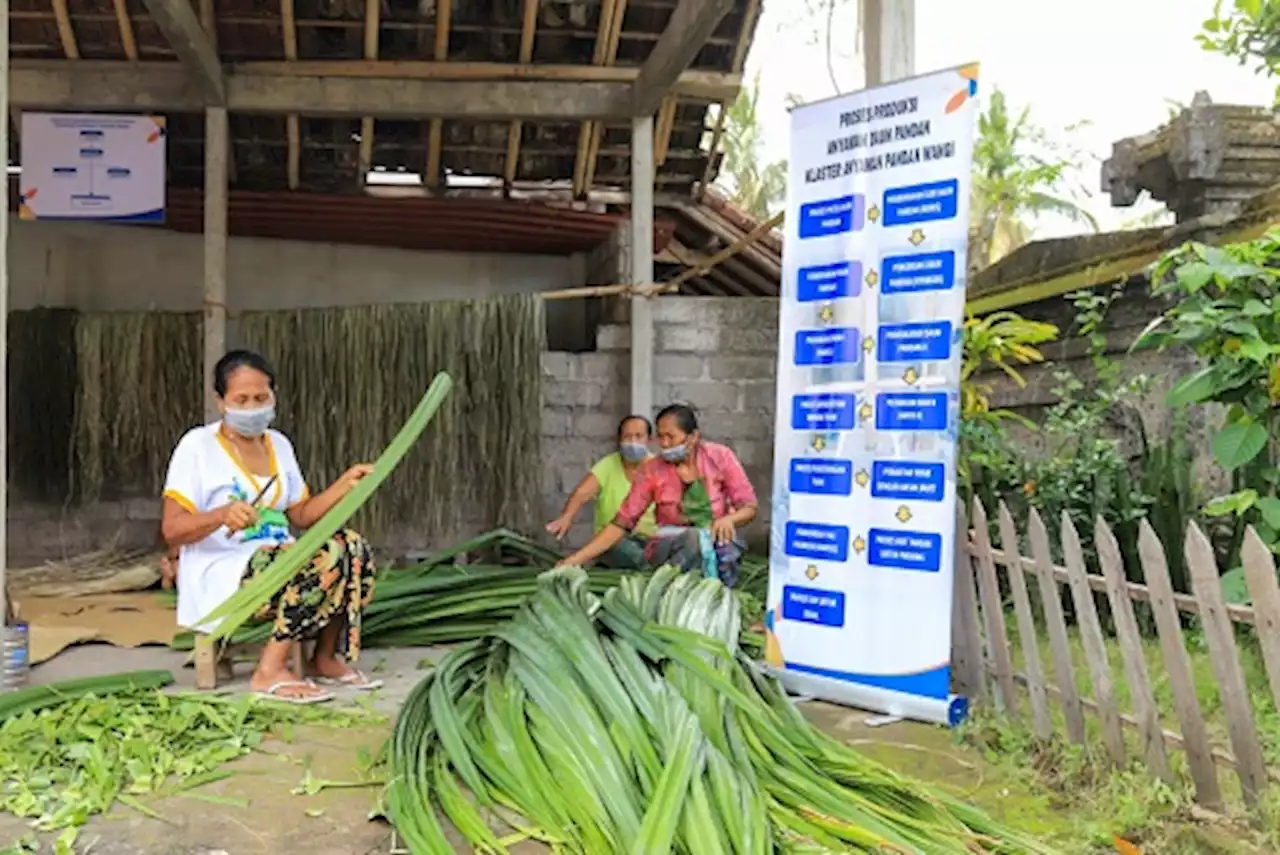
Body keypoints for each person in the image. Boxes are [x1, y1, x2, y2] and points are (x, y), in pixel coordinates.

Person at [161, 350, 380, 704]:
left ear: (274, 396)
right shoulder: (197, 447)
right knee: (308, 560)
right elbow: (172, 529)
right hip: (224, 568)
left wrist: (346, 484)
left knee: (351, 546)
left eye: (261, 398)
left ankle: (323, 657)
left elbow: (302, 515)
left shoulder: (279, 444)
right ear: (220, 401)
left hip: (279, 557)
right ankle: (269, 671)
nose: (252, 408)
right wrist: (221, 515)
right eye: (241, 400)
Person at [557, 404, 757, 585]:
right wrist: (574, 560)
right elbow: (622, 523)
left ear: (693, 437)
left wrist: (729, 520)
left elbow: (749, 507)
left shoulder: (719, 457)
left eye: (671, 436)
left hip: (716, 543)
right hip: (670, 549)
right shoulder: (652, 470)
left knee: (721, 546)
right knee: (692, 539)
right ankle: (675, 591)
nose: (665, 443)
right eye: (661, 437)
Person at [546, 415, 658, 569]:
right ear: (619, 440)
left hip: (651, 542)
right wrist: (566, 517)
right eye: (627, 436)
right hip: (611, 542)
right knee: (623, 549)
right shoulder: (608, 465)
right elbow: (581, 493)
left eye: (639, 436)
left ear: (649, 439)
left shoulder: (659, 471)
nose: (633, 442)